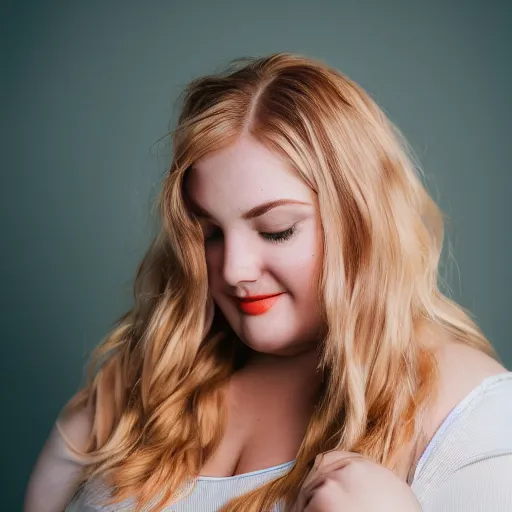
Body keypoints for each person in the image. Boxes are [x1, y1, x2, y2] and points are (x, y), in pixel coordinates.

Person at [24, 52, 511, 512]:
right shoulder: (143, 390)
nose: (233, 269)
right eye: (210, 233)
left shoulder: (466, 411)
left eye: (276, 229)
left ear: (361, 225)